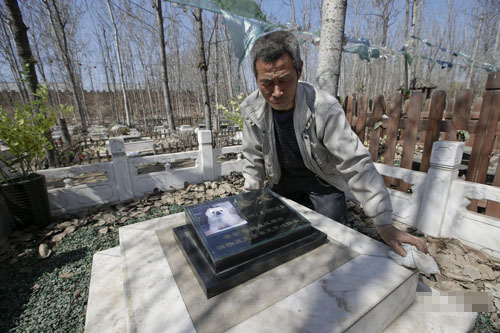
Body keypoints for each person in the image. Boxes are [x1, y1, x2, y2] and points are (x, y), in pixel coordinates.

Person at [240, 30, 427, 257]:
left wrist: (384, 223)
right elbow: (253, 157)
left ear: (299, 70)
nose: (276, 92)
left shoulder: (323, 108)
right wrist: (250, 199)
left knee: (331, 242)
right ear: (256, 77)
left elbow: (355, 161)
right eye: (266, 83)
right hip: (282, 179)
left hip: (323, 181)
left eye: (284, 80)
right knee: (275, 237)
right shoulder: (251, 109)